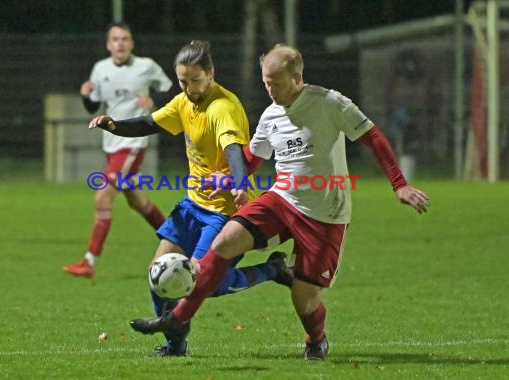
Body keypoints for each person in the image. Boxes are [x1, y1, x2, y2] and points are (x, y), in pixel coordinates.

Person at [129, 44, 430, 360]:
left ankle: (316, 339)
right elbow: (253, 157)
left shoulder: (329, 103)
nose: (269, 89)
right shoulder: (271, 115)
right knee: (224, 243)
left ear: (297, 77)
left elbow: (373, 136)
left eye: (276, 82)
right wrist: (229, 178)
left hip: (325, 215)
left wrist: (399, 184)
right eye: (265, 82)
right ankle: (178, 320)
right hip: (282, 201)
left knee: (305, 299)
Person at [88, 40, 293, 356]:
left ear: (211, 73)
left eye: (194, 80)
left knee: (198, 283)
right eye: (182, 81)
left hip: (223, 212)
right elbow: (150, 122)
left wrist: (239, 183)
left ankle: (271, 270)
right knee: (158, 273)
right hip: (192, 205)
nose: (188, 88)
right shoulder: (184, 102)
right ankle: (175, 344)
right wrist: (114, 125)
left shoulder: (222, 107)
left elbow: (234, 149)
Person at [63, 23, 174, 279]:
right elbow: (93, 107)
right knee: (137, 201)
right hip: (111, 146)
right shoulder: (100, 69)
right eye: (115, 39)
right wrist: (86, 96)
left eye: (125, 39)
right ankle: (178, 241)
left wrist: (154, 101)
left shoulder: (146, 66)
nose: (120, 44)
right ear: (108, 44)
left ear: (132, 43)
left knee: (103, 197)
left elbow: (172, 90)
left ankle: (89, 261)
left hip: (133, 143)